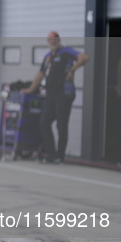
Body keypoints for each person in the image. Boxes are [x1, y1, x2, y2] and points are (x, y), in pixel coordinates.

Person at [21, 31, 89, 163]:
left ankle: (59, 155)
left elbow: (84, 57)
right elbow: (40, 74)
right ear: (47, 42)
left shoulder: (66, 52)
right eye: (50, 40)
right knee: (44, 123)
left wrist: (72, 69)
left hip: (63, 94)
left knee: (61, 125)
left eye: (55, 39)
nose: (53, 42)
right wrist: (30, 90)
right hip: (51, 94)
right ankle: (51, 154)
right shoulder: (48, 57)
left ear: (59, 40)